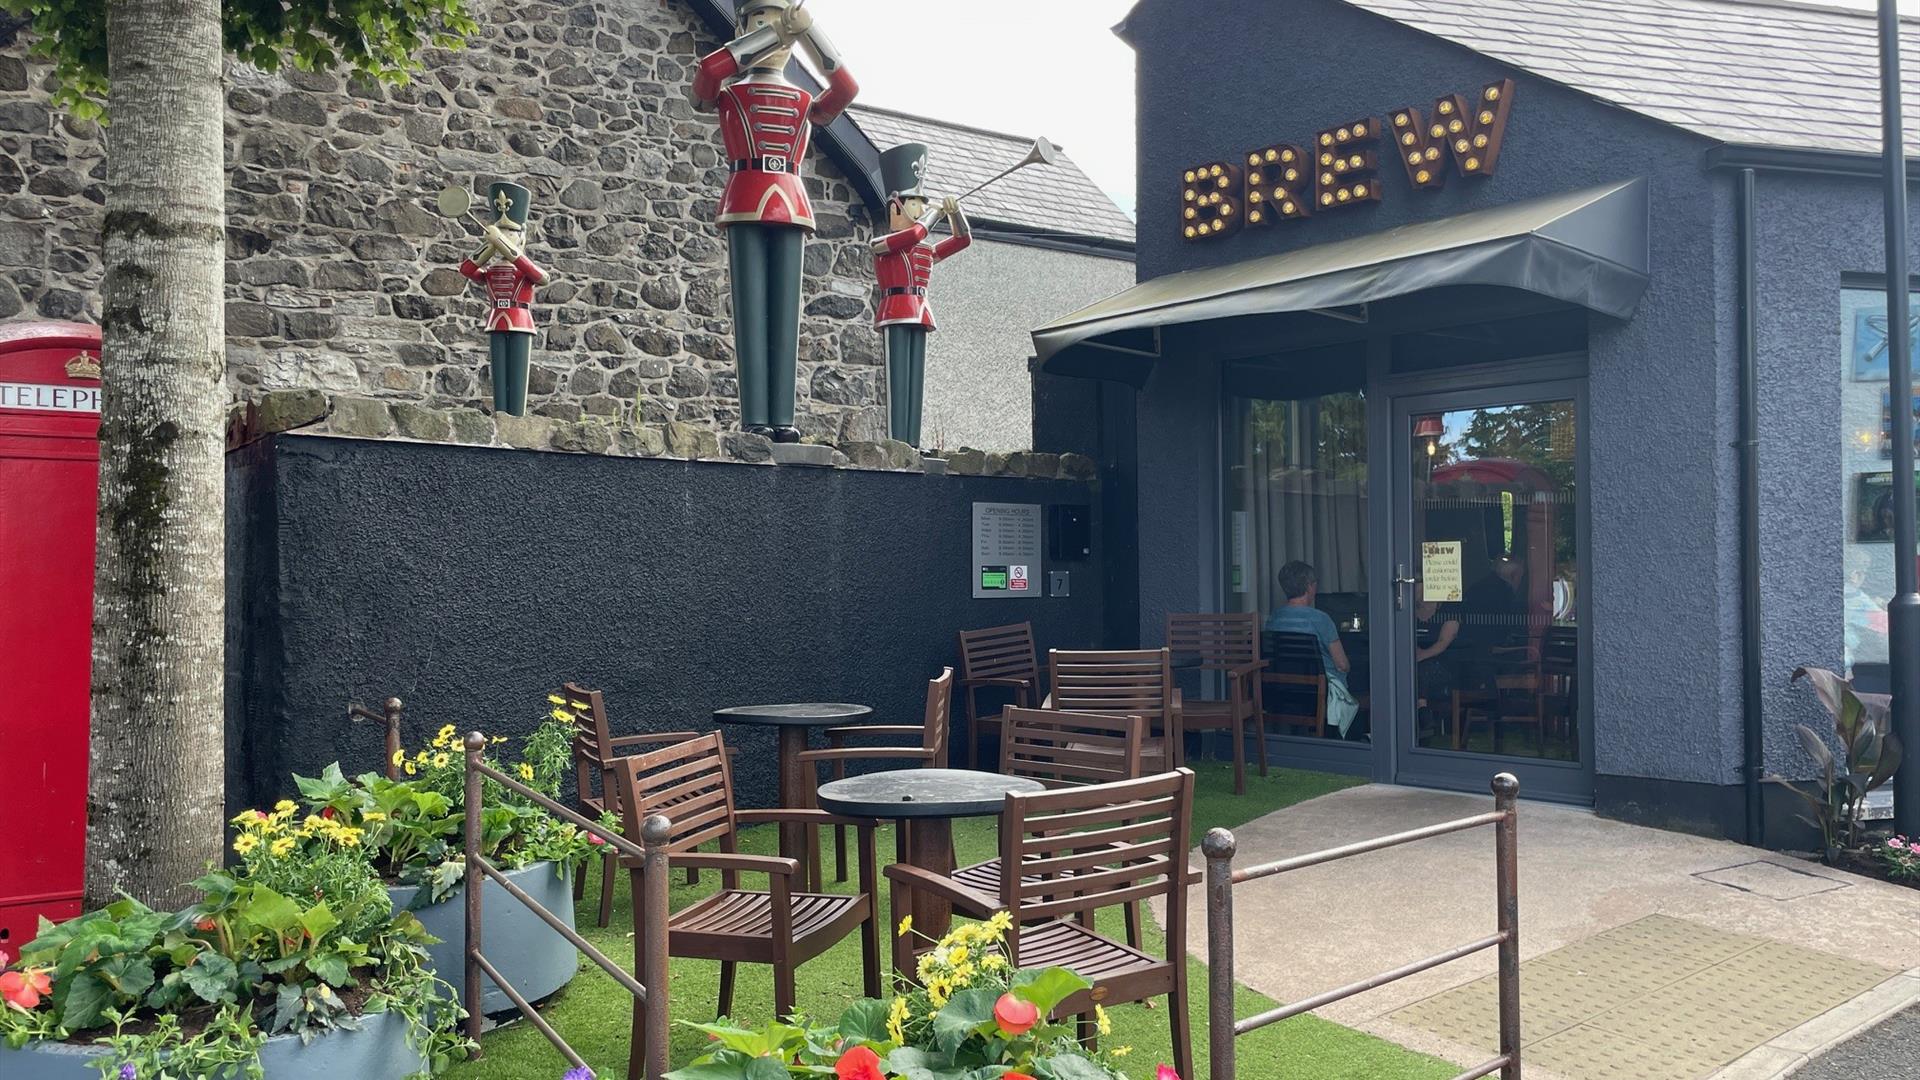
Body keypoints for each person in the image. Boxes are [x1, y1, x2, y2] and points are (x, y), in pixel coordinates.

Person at [691, 0, 858, 442]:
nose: (777, 33)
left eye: (781, 22)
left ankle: (782, 417)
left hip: (790, 197)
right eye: (761, 21)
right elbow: (706, 77)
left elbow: (846, 90)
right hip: (745, 192)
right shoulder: (730, 91)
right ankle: (755, 418)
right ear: (744, 26)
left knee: (786, 314)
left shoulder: (805, 99)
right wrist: (769, 35)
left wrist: (810, 34)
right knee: (750, 309)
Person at [871, 142, 971, 447]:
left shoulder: (924, 249)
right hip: (895, 307)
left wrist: (955, 213)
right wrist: (935, 216)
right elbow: (914, 234)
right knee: (898, 378)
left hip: (920, 308)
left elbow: (962, 240)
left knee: (915, 381)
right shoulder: (882, 243)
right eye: (915, 204)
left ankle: (911, 442)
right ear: (895, 206)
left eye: (923, 204)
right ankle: (898, 441)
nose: (921, 209)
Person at [456, 182, 548, 417]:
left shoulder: (522, 267)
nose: (504, 237)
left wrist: (504, 245)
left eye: (510, 234)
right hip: (497, 318)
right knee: (499, 371)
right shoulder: (492, 270)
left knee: (517, 374)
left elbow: (541, 277)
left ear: (521, 238)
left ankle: (516, 416)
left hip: (520, 318)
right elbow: (467, 270)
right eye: (501, 233)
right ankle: (500, 415)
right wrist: (488, 247)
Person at [1264, 560, 1360, 736]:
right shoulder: (1321, 619)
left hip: (1282, 687)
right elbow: (1342, 664)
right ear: (1309, 587)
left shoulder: (1274, 618)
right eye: (1315, 583)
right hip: (1316, 690)